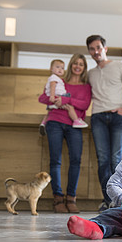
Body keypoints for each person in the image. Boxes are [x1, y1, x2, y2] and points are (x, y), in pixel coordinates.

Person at [86, 35, 122, 212]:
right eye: (92, 49)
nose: (96, 51)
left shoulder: (119, 65)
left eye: (98, 47)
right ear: (89, 52)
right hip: (98, 117)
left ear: (105, 48)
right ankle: (107, 200)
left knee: (116, 160)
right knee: (102, 160)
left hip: (118, 117)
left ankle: (117, 200)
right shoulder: (90, 74)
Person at [38, 53, 92, 213]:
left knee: (75, 160)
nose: (77, 66)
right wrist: (55, 99)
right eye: (75, 63)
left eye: (81, 64)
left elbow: (85, 104)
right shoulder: (59, 80)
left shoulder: (86, 86)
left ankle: (71, 198)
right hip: (55, 122)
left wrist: (66, 100)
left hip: (75, 126)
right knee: (55, 161)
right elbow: (43, 98)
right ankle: (58, 198)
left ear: (84, 68)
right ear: (70, 65)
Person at [39, 59, 87, 136]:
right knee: (70, 106)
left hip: (54, 99)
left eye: (62, 68)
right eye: (57, 67)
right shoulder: (54, 78)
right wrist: (52, 96)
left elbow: (85, 105)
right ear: (51, 68)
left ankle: (43, 123)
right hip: (58, 97)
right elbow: (51, 87)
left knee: (50, 112)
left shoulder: (56, 79)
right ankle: (76, 120)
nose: (60, 69)